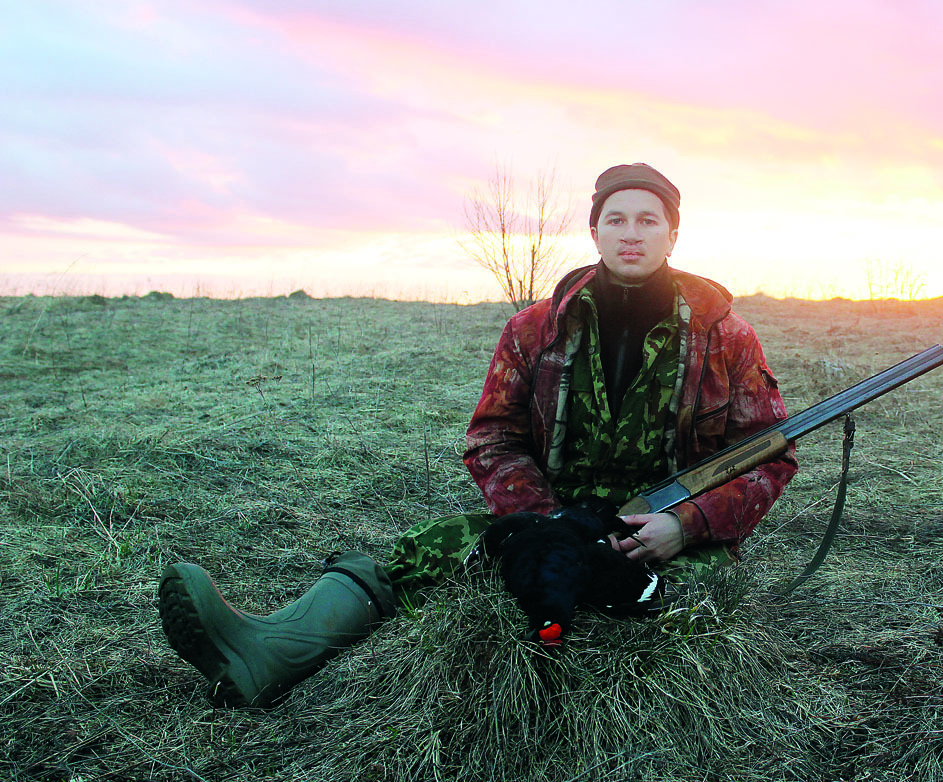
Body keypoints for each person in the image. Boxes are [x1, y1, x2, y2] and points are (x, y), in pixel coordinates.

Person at [158, 163, 798, 708]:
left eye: (648, 220)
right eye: (617, 219)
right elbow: (492, 438)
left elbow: (769, 456)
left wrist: (685, 525)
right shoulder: (535, 330)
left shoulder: (726, 336)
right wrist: (545, 525)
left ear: (673, 233)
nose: (632, 233)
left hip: (656, 532)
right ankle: (267, 651)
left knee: (704, 592)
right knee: (431, 548)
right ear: (595, 230)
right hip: (553, 515)